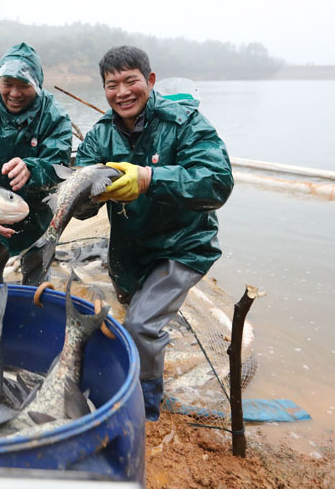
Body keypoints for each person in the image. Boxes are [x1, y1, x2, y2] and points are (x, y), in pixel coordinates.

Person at [75, 45, 234, 421]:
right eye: (112, 85)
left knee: (140, 326)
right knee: (137, 315)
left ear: (150, 81)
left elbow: (217, 182)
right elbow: (82, 203)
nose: (122, 92)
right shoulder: (99, 137)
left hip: (183, 245)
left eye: (131, 81)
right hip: (130, 252)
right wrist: (88, 196)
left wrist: (149, 178)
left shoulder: (186, 123)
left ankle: (145, 408)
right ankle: (144, 365)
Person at [0, 42, 72, 286]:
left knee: (38, 276)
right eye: (8, 84)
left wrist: (33, 168)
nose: (15, 93)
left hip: (39, 209)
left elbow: (59, 166)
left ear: (37, 84)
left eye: (24, 85)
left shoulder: (55, 115)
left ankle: (35, 307)